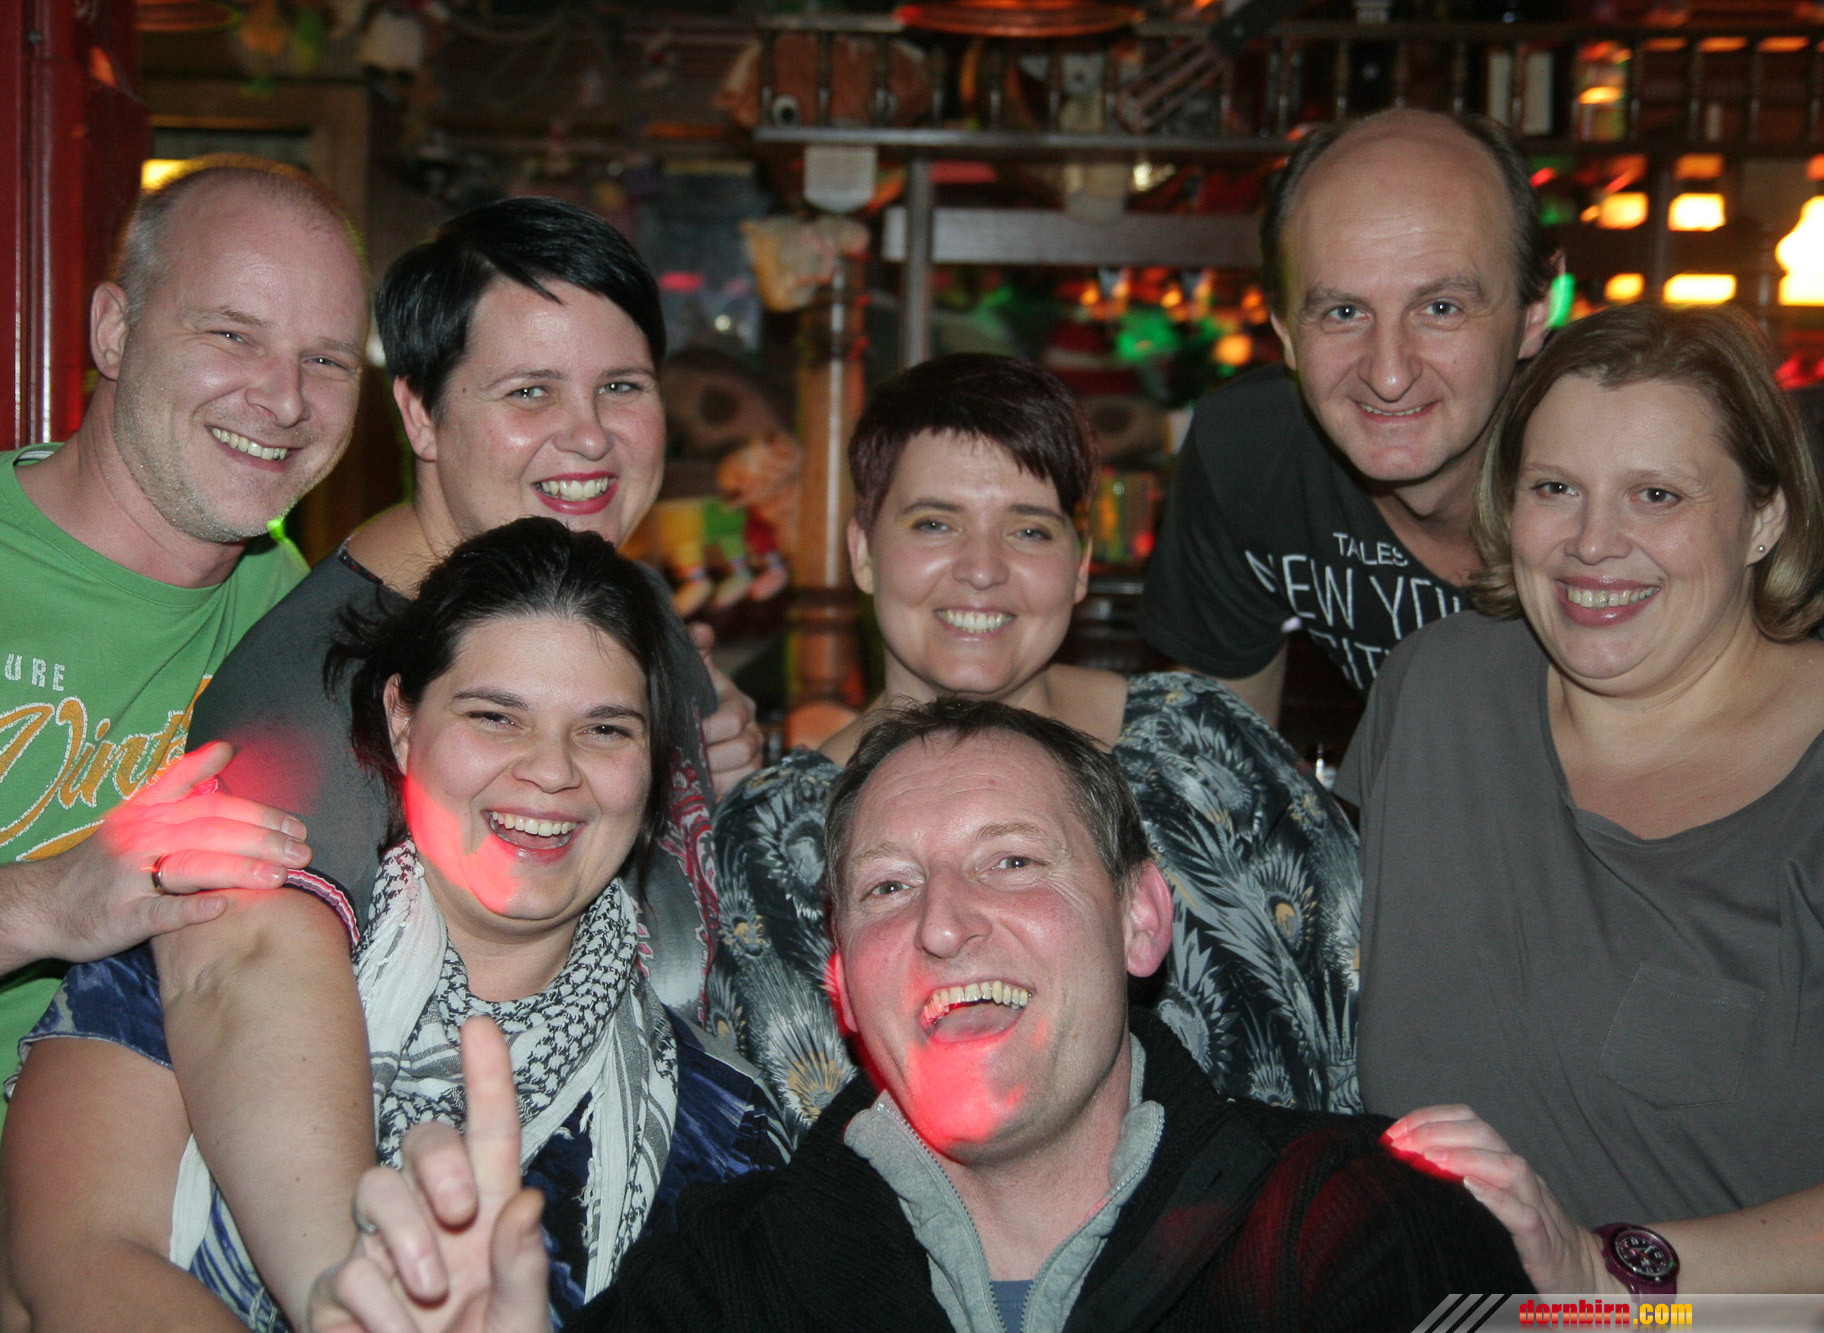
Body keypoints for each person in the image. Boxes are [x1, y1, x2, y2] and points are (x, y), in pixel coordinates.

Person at [35, 197, 765, 1323]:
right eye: (529, 392)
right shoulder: (313, 693)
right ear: (419, 413)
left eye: (620, 386)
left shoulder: (612, 595)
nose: (589, 436)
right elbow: (235, 968)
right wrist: (360, 1291)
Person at [314, 697, 1531, 1333]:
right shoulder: (731, 1279)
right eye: (889, 888)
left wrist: (1616, 1286)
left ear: (1139, 921)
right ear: (842, 988)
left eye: (1012, 862)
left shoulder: (1358, 1223)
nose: (944, 923)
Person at [0, 520, 789, 1331]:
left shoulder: (726, 1128)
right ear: (403, 723)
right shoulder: (191, 940)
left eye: (605, 729)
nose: (552, 769)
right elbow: (68, 1269)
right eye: (495, 716)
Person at [0, 157, 368, 1328]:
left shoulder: (301, 622)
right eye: (232, 333)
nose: (284, 399)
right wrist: (44, 904)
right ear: (113, 330)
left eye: (327, 360)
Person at [715, 353, 1360, 1127]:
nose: (982, 569)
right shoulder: (773, 838)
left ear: (1079, 565)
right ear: (862, 551)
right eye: (935, 523)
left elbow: (1361, 992)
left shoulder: (1201, 749)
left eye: (1028, 528)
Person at [1345, 303, 1824, 1293]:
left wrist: (1606, 1280)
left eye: (1656, 495)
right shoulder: (1437, 691)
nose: (1592, 542)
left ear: (1763, 518)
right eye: (1554, 488)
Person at [1137, 108, 1557, 719]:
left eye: (1441, 308)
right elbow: (1222, 752)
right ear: (1285, 328)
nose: (1389, 376)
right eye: (1343, 313)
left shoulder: (1624, 472)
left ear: (1536, 308)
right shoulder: (1251, 451)